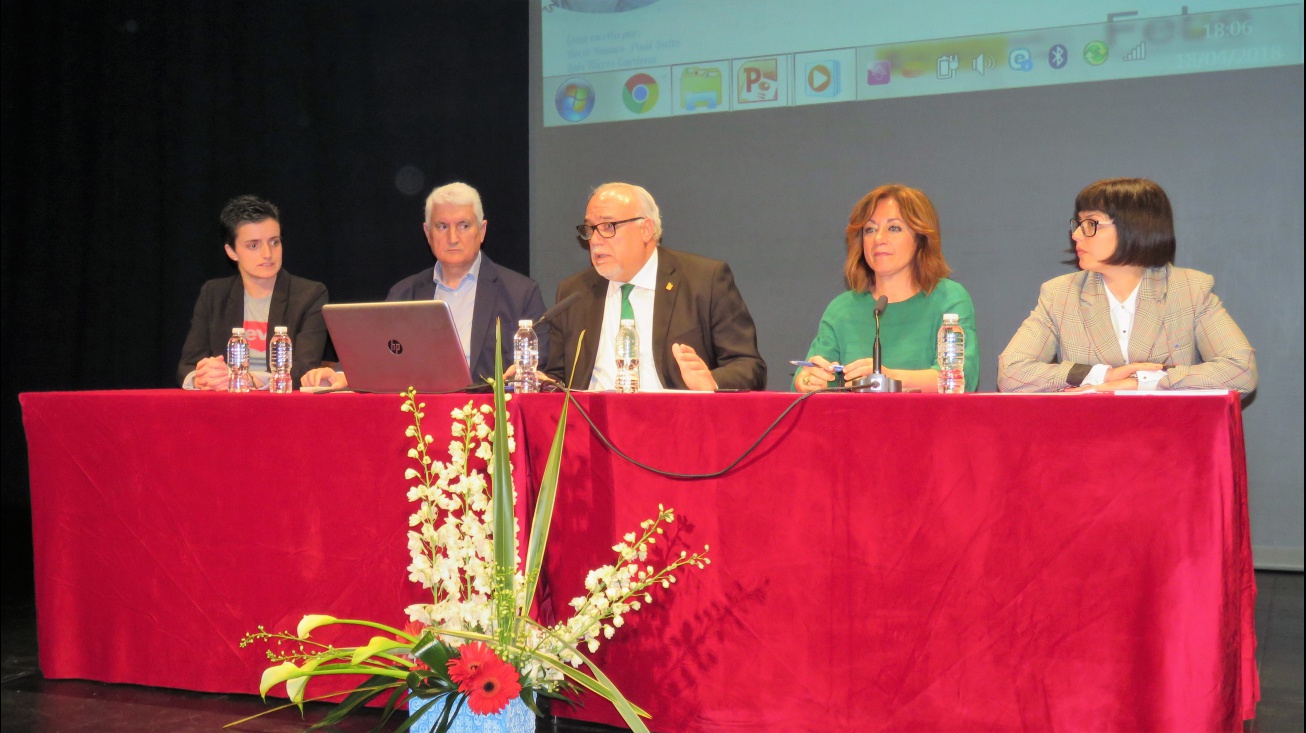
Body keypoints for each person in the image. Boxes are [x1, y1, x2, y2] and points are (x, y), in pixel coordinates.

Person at [997, 177, 1257, 393]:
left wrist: (1138, 383)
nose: (1076, 234)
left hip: (1169, 443)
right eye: (1078, 223)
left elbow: (1240, 370)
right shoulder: (1060, 294)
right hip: (1087, 442)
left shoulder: (1189, 289)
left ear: (1135, 228)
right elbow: (1012, 373)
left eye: (1091, 223)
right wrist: (1102, 376)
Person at [301, 182, 546, 389]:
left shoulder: (520, 293)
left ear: (481, 231)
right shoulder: (404, 293)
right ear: (427, 233)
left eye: (463, 226)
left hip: (491, 425)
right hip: (417, 418)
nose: (452, 238)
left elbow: (542, 366)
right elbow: (374, 352)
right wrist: (340, 375)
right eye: (442, 227)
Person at [545, 182, 766, 391]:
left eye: (608, 226)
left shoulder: (703, 281)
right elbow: (559, 377)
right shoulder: (574, 292)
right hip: (591, 423)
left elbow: (748, 365)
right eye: (590, 229)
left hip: (674, 421)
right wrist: (540, 383)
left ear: (646, 229)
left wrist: (710, 382)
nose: (594, 240)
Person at [795, 184, 978, 393]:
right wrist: (808, 381)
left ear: (920, 238)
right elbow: (806, 378)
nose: (879, 239)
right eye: (870, 230)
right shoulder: (842, 309)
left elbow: (960, 379)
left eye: (894, 228)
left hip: (928, 424)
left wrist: (887, 378)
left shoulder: (948, 299)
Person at [178, 195, 327, 390]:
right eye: (253, 245)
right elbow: (187, 365)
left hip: (280, 404)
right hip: (225, 405)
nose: (267, 254)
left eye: (274, 242)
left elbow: (304, 369)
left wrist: (249, 380)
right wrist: (202, 377)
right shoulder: (213, 294)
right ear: (231, 252)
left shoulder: (309, 295)